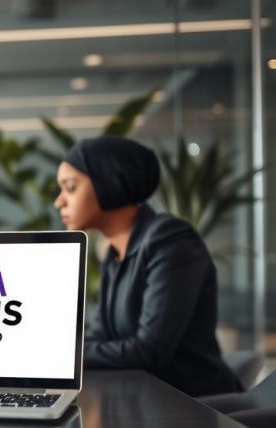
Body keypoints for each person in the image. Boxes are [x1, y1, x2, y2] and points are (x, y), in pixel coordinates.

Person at [54, 136, 241, 397]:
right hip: (142, 397)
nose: (59, 202)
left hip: (192, 404)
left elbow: (149, 350)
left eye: (70, 187)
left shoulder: (171, 241)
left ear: (108, 182)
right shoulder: (114, 254)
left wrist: (60, 353)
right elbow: (100, 336)